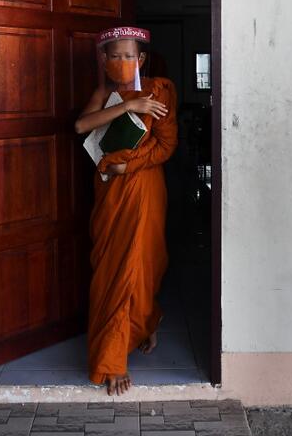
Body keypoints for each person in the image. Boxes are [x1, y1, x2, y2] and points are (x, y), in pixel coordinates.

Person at [75, 26, 178, 396]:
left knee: (140, 266)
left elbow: (166, 146)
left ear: (142, 59)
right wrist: (128, 106)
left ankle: (115, 358)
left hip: (143, 189)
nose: (121, 62)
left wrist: (127, 167)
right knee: (110, 269)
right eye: (114, 56)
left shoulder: (160, 90)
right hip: (109, 192)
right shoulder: (105, 92)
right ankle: (142, 326)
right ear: (104, 60)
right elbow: (80, 125)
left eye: (128, 55)